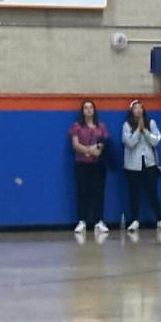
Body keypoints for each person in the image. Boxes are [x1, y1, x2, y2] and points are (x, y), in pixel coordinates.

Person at [121, 100, 161, 234]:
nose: (138, 110)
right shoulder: (126, 125)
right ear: (131, 111)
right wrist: (137, 130)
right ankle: (134, 220)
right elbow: (129, 142)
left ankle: (160, 220)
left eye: (140, 108)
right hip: (132, 165)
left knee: (153, 192)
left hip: (149, 163)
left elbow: (156, 140)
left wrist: (145, 130)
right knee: (133, 193)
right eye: (135, 108)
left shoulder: (151, 123)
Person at [69, 99, 109, 235]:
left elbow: (104, 141)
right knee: (83, 192)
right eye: (86, 108)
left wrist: (97, 147)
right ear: (82, 110)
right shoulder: (76, 126)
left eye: (91, 107)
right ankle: (82, 221)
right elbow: (75, 144)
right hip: (82, 163)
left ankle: (99, 221)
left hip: (98, 164)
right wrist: (87, 150)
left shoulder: (101, 126)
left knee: (98, 192)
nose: (88, 110)